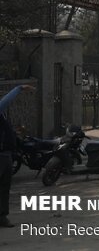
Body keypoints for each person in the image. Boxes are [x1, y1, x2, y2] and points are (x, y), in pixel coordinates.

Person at [1, 84, 35, 228]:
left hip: (6, 154)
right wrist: (19, 88)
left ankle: (2, 216)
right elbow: (5, 101)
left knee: (4, 187)